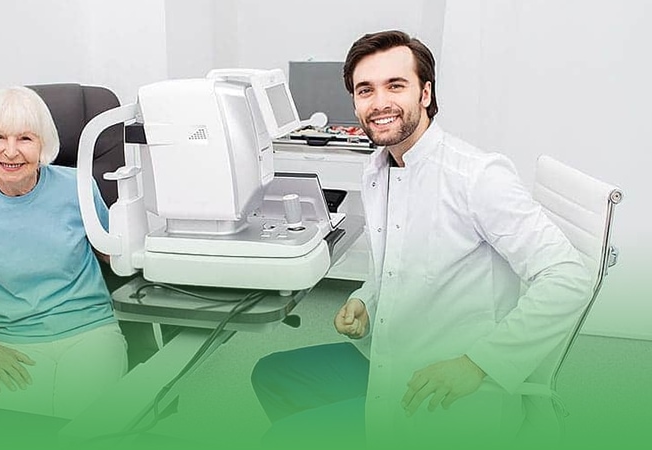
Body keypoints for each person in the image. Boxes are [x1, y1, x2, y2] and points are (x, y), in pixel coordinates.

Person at [251, 30, 591, 446]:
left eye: (396, 86)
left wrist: (478, 363)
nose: (379, 103)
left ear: (425, 94)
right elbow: (394, 265)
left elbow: (568, 277)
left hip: (451, 383)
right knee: (272, 375)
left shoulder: (477, 178)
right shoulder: (379, 168)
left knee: (279, 437)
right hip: (394, 353)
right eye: (365, 90)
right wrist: (365, 300)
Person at [0, 86, 128, 419]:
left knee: (84, 425)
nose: (10, 152)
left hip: (90, 331)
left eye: (25, 139)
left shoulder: (77, 187)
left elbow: (112, 253)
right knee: (25, 431)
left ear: (44, 145)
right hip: (14, 343)